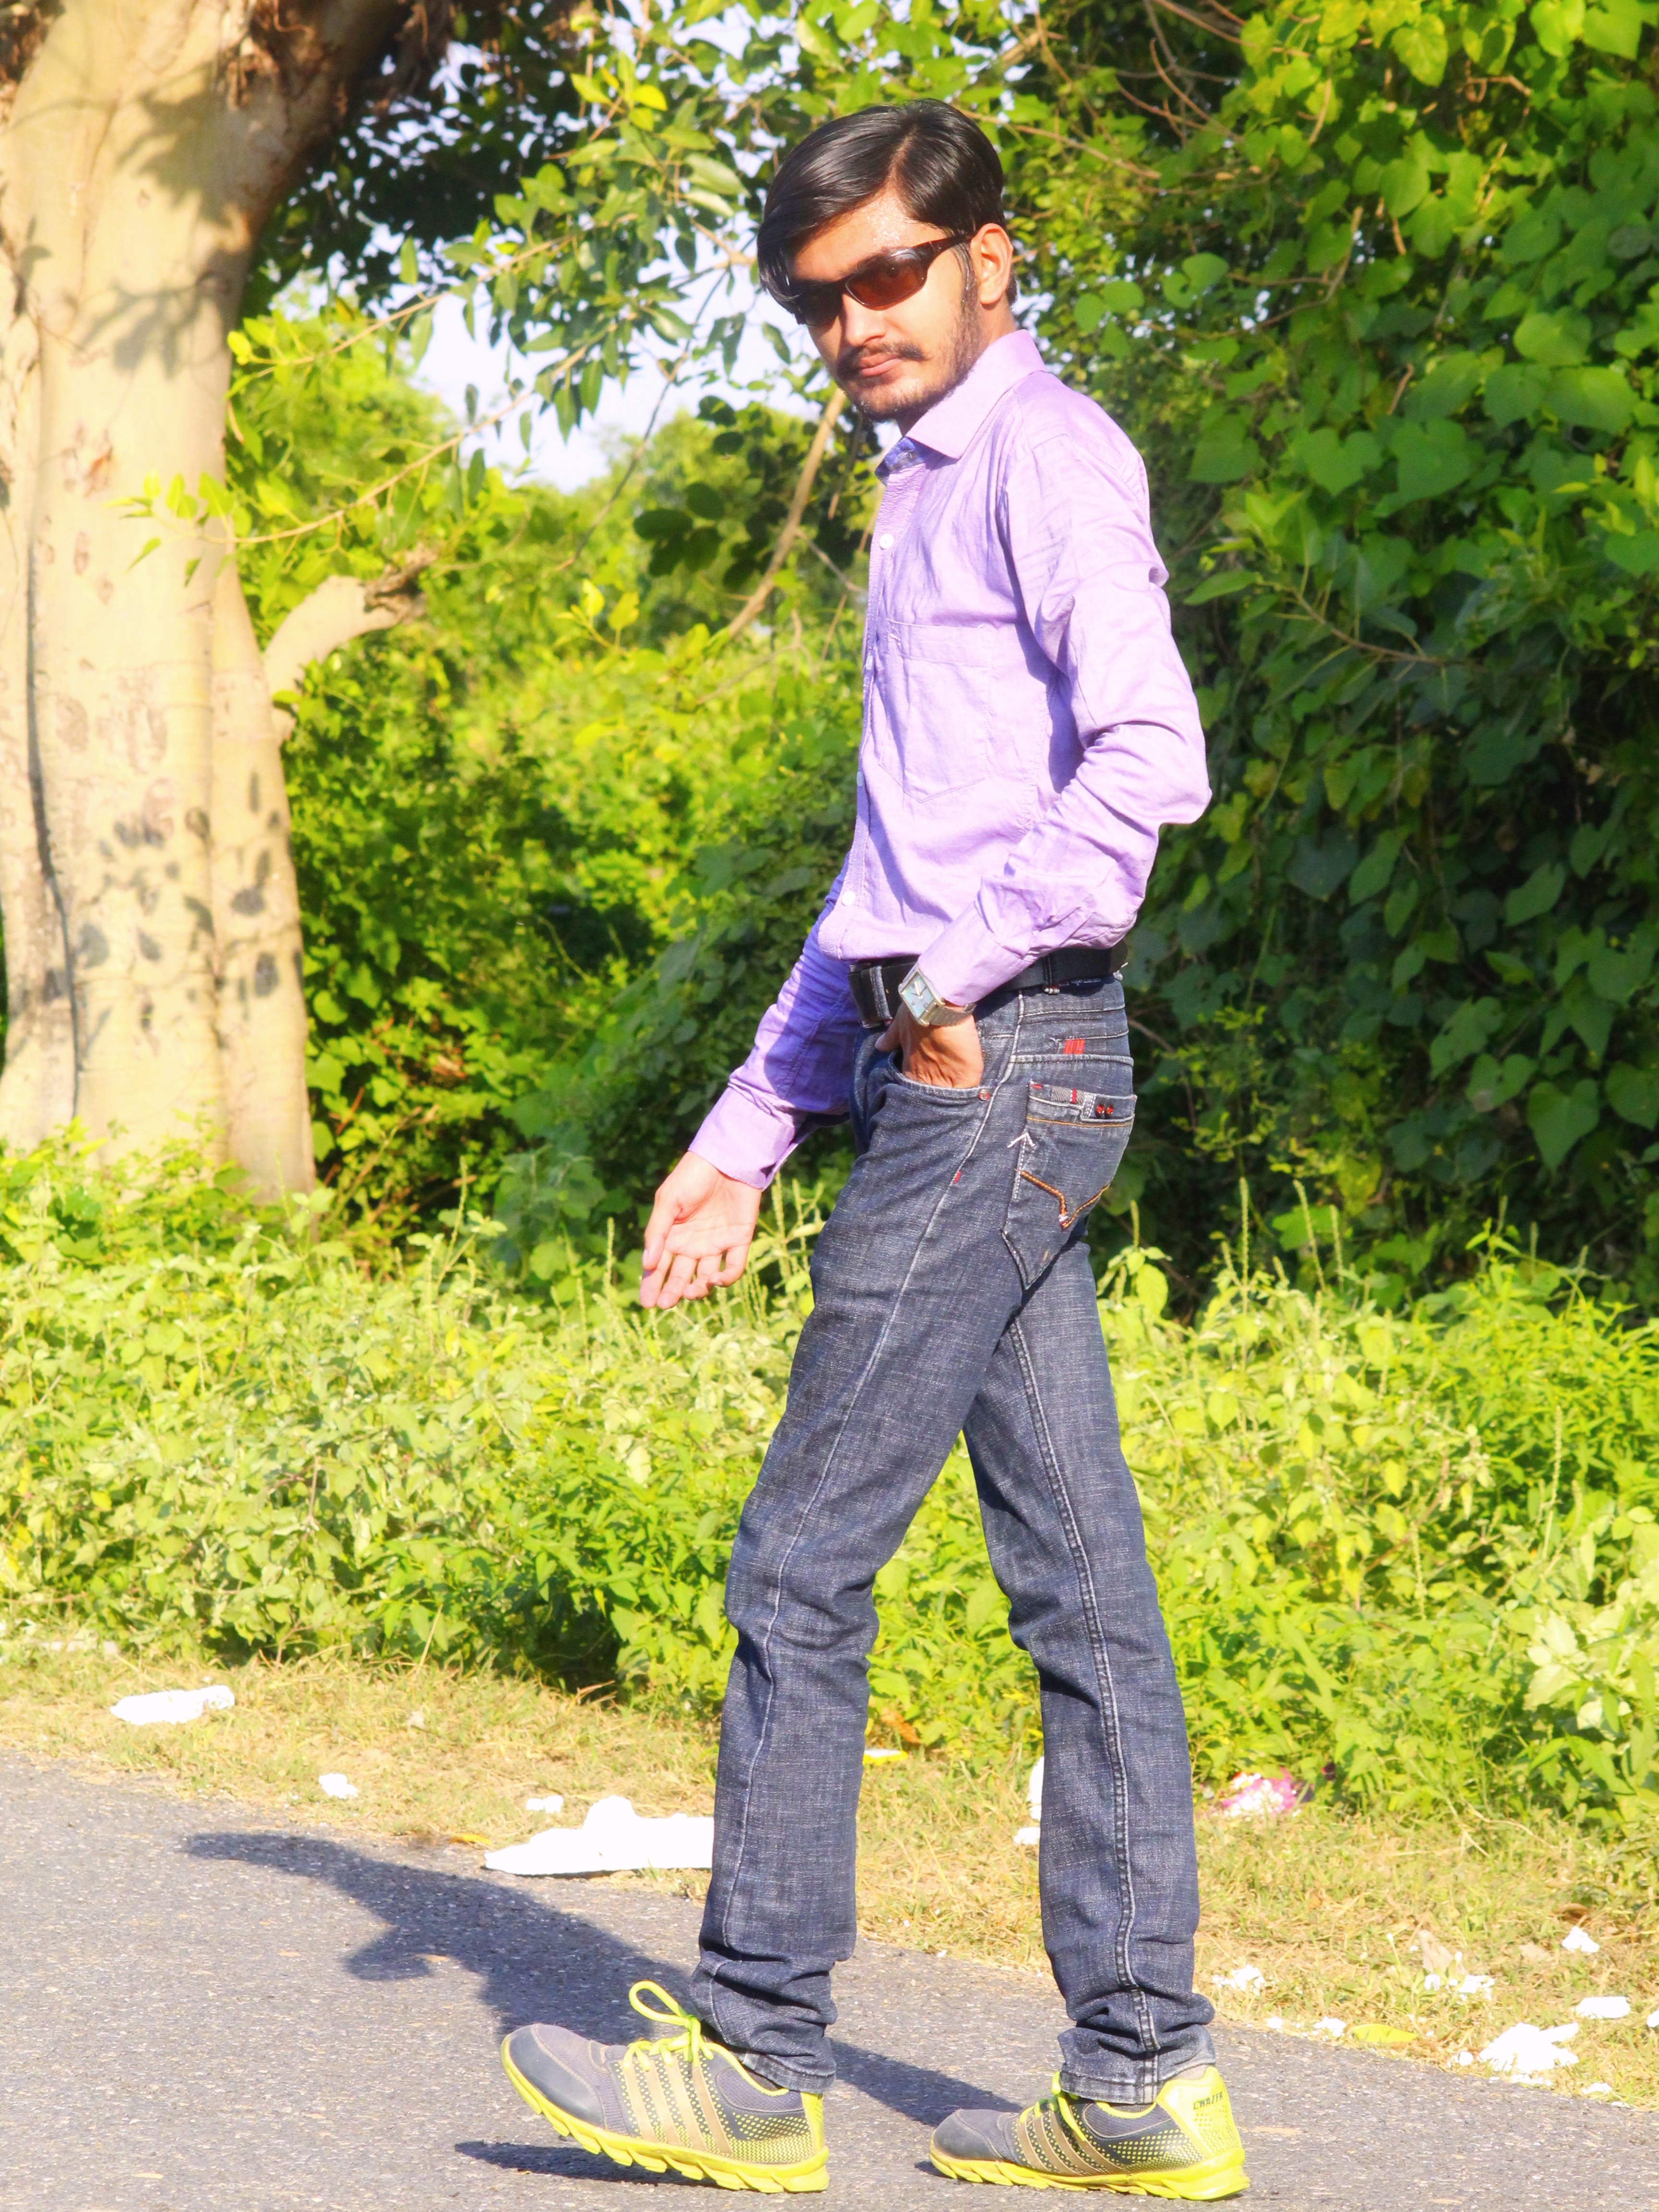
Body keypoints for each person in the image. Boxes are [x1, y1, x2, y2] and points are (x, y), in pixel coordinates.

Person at [500, 101, 1246, 2201]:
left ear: (992, 255)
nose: (856, 326)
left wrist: (956, 974)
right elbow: (884, 868)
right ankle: (1142, 2086)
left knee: (800, 1563)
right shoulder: (924, 488)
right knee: (1080, 1585)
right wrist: (748, 1128)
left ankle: (754, 2057)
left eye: (891, 276)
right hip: (998, 1065)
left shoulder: (1044, 458)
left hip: (998, 1066)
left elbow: (1152, 761)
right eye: (818, 301)